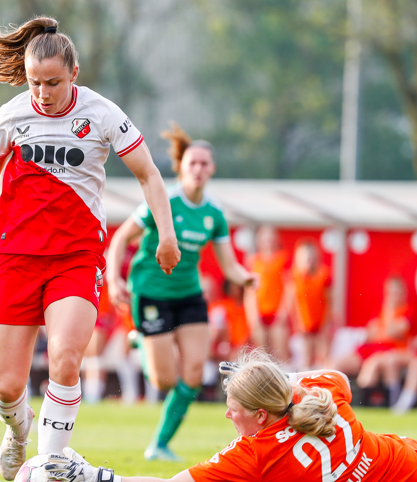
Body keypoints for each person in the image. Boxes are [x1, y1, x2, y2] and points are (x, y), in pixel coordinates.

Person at [0, 17, 181, 481]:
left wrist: (166, 233)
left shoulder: (101, 114)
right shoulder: (13, 113)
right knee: (9, 385)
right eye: (36, 83)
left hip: (76, 257)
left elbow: (148, 174)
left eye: (54, 83)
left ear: (74, 73)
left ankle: (49, 464)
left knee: (64, 357)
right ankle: (18, 433)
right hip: (15, 255)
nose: (43, 93)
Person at [43, 348, 417, 482]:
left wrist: (95, 478)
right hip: (409, 465)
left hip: (406, 467)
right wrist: (278, 378)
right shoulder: (320, 392)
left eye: (232, 406)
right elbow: (338, 377)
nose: (227, 413)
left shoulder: (257, 456)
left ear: (259, 413)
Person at [106, 123, 254, 462]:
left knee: (193, 373)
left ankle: (159, 444)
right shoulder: (164, 201)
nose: (199, 169)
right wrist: (114, 280)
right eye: (193, 163)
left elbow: (229, 265)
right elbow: (119, 240)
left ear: (212, 169)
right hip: (151, 293)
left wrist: (246, 279)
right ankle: (141, 338)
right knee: (163, 380)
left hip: (188, 295)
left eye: (205, 164)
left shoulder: (214, 214)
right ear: (181, 167)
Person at [333, 276, 411, 406]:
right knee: (337, 364)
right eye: (390, 292)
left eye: (396, 292)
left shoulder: (406, 311)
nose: (392, 296)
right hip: (371, 348)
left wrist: (389, 312)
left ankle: (360, 401)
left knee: (371, 365)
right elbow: (369, 333)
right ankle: (333, 401)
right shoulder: (380, 311)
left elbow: (393, 333)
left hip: (390, 349)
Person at [245, 226, 290, 362]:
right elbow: (250, 292)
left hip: (277, 312)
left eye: (271, 238)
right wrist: (252, 316)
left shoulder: (283, 258)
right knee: (262, 355)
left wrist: (283, 313)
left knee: (280, 354)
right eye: (265, 239)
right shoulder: (253, 261)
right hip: (260, 312)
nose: (268, 242)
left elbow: (289, 288)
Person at [285, 239, 332, 370]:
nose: (308, 261)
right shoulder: (295, 277)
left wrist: (326, 324)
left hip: (320, 323)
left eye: (311, 257)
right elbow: (292, 304)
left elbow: (329, 302)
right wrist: (296, 324)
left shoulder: (323, 275)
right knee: (306, 357)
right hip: (304, 324)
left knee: (322, 356)